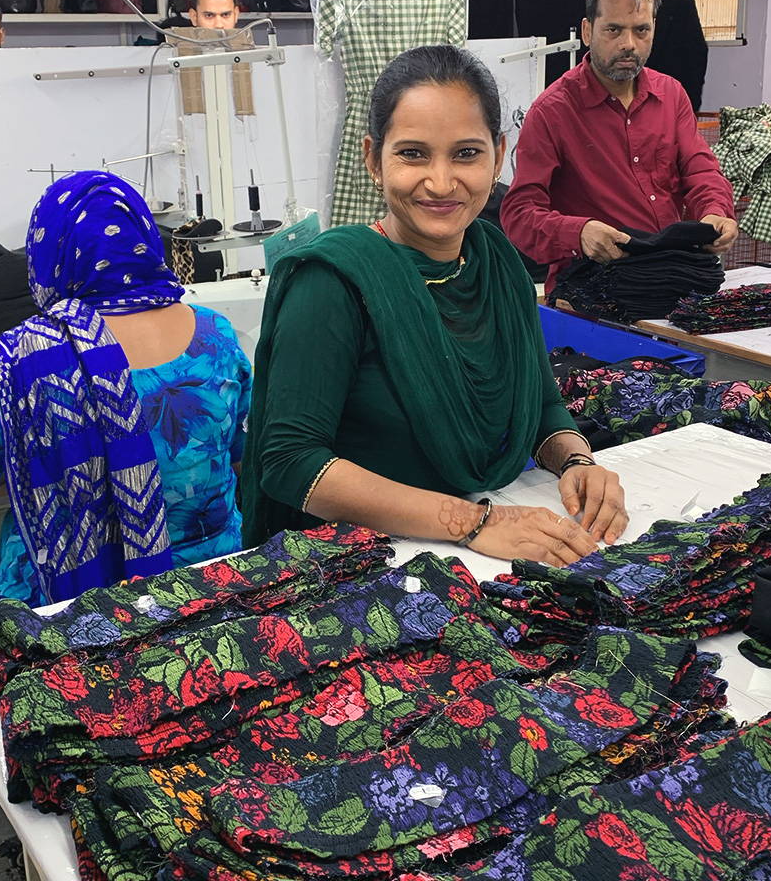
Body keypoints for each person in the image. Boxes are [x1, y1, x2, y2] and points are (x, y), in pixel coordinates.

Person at [241, 44, 628, 566]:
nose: (441, 182)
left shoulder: (497, 265)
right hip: (357, 565)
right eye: (413, 153)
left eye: (466, 153)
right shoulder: (333, 282)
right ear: (373, 159)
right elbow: (290, 460)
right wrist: (471, 523)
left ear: (499, 155)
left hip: (476, 552)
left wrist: (577, 462)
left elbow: (540, 407)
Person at [0, 171, 252, 606]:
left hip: (71, 608)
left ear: (49, 253)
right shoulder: (216, 336)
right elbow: (239, 456)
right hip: (212, 589)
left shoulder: (22, 360)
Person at [501, 0, 737, 294]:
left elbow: (701, 171)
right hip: (591, 289)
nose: (629, 44)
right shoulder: (552, 112)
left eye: (641, 30)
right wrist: (578, 233)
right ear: (587, 31)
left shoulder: (671, 96)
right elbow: (519, 214)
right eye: (613, 30)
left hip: (670, 278)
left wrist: (714, 212)